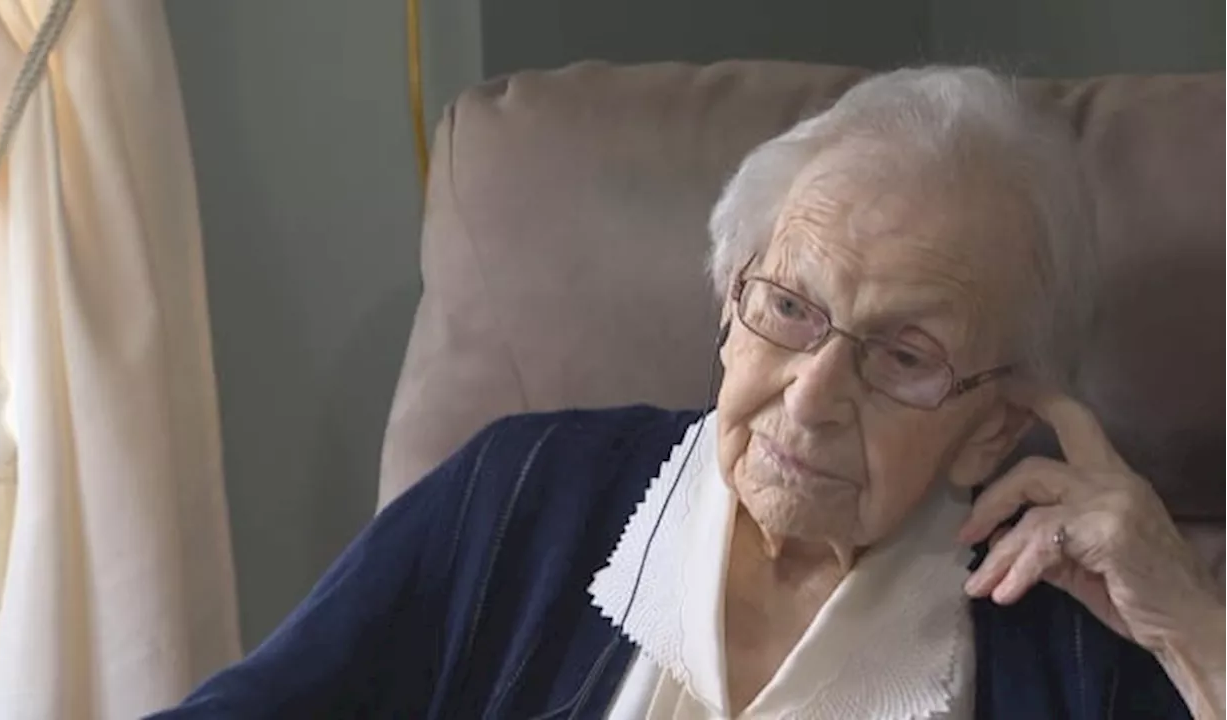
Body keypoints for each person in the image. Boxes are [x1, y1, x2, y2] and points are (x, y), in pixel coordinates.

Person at [151, 66, 1227, 719]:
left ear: (989, 422)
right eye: (789, 309)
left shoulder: (1071, 630)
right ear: (726, 303)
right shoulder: (524, 494)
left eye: (903, 356)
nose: (810, 399)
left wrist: (1186, 623)